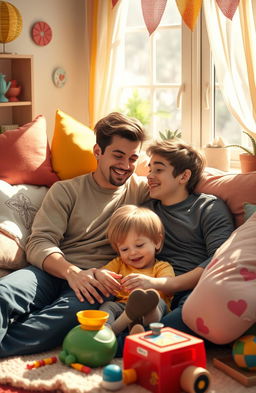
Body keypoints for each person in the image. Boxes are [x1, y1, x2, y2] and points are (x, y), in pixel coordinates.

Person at [0, 112, 149, 358]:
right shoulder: (66, 190)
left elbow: (179, 178)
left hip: (96, 282)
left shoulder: (142, 190)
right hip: (51, 272)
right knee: (4, 293)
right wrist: (72, 272)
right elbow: (38, 243)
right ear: (98, 152)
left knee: (55, 327)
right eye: (118, 155)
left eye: (133, 158)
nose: (126, 165)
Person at [142, 139, 235, 335]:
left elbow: (219, 259)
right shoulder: (146, 211)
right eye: (149, 169)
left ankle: (124, 342)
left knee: (182, 319)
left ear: (183, 176)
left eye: (158, 170)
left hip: (194, 289)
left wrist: (170, 284)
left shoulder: (208, 207)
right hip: (153, 289)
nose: (149, 176)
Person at [96, 204, 174, 335]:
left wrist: (150, 282)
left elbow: (169, 284)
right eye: (124, 249)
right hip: (123, 307)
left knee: (157, 302)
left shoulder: (161, 267)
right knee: (108, 307)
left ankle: (138, 327)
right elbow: (101, 272)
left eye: (139, 245)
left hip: (152, 310)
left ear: (157, 241)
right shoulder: (119, 263)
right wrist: (102, 274)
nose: (132, 253)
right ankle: (107, 330)